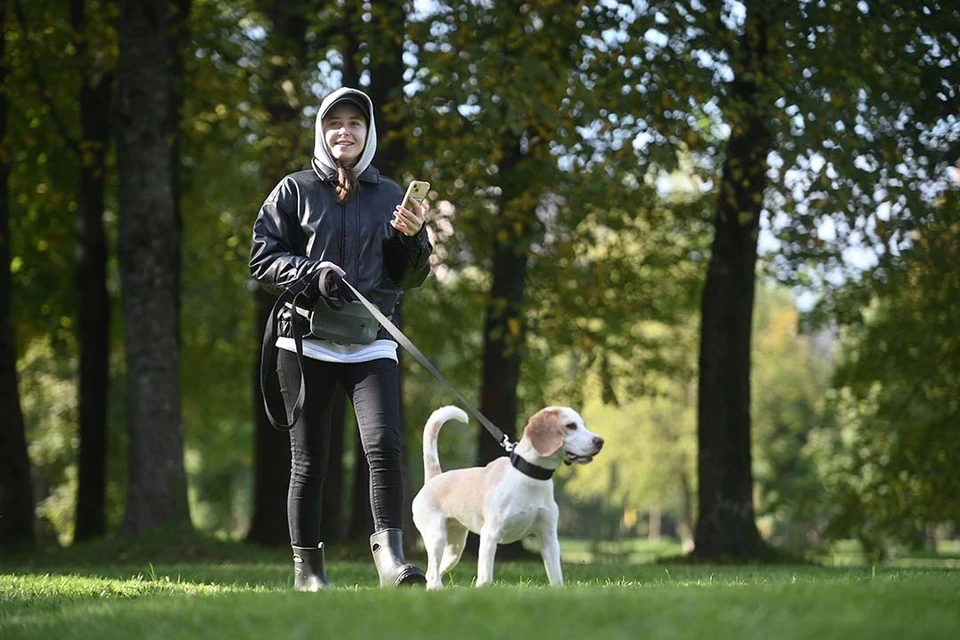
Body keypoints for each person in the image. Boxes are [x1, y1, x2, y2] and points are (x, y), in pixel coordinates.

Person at [249, 87, 432, 590]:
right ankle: (308, 573)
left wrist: (414, 238)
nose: (344, 132)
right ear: (321, 131)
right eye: (335, 123)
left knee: (385, 448)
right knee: (309, 461)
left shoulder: (392, 194)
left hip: (372, 341)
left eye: (355, 123)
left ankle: (392, 564)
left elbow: (410, 277)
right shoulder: (292, 190)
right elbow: (262, 258)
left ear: (368, 133)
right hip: (304, 343)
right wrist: (313, 275)